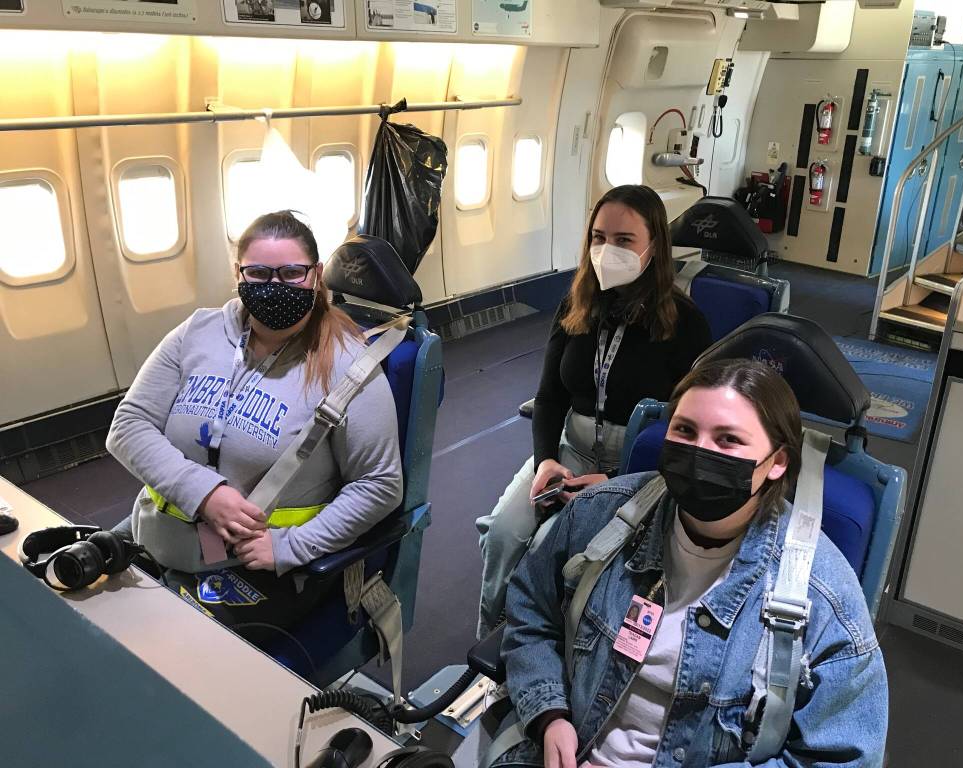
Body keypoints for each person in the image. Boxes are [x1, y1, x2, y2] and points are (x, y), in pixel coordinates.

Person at [496, 359, 888, 768]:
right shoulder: (599, 515)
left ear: (777, 462)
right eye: (684, 430)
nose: (700, 452)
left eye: (728, 440)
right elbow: (530, 610)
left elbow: (842, 759)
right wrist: (550, 714)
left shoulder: (826, 597)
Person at [106, 210, 403, 628]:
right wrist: (204, 494)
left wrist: (291, 547)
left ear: (317, 275)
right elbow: (129, 425)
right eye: (259, 274)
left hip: (257, 566)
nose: (275, 286)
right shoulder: (198, 332)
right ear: (238, 274)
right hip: (159, 534)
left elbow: (380, 484)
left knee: (167, 644)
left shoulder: (349, 367)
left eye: (292, 273)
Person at [476, 184, 712, 637]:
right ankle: (492, 640)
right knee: (504, 533)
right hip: (570, 452)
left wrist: (618, 481)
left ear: (654, 247)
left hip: (637, 468)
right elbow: (549, 398)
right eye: (599, 238)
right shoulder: (577, 304)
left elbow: (690, 430)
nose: (607, 250)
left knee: (548, 551)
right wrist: (546, 460)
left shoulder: (686, 324)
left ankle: (543, 645)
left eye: (624, 240)